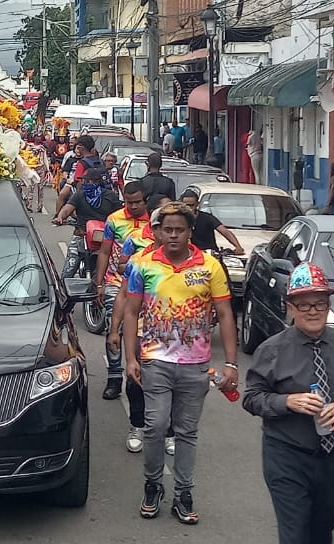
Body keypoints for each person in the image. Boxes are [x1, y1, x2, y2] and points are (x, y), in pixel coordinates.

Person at [113, 201, 239, 525]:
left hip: (196, 365)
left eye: (179, 230)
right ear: (158, 231)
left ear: (189, 232)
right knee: (154, 427)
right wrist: (130, 358)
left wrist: (231, 364)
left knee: (186, 431)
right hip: (154, 360)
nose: (172, 236)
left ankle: (183, 493)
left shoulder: (209, 267)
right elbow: (131, 311)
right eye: (167, 229)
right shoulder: (142, 265)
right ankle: (153, 484)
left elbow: (225, 314)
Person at [242, 262, 334, 544]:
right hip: (286, 455)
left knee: (324, 527)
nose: (313, 311)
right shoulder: (272, 351)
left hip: (331, 456)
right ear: (290, 308)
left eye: (320, 303)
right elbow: (252, 398)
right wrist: (287, 401)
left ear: (328, 305)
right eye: (304, 305)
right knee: (295, 532)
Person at [96, 181, 151, 402]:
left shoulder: (156, 223)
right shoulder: (114, 219)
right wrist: (99, 283)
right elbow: (105, 251)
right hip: (116, 281)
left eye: (138, 202)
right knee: (114, 327)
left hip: (146, 287)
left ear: (145, 200)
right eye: (129, 202)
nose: (134, 206)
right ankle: (113, 378)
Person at [51, 168, 122, 279]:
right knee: (68, 271)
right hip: (81, 235)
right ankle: (63, 292)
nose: (84, 183)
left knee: (113, 269)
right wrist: (60, 217)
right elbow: (67, 209)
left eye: (86, 181)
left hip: (103, 238)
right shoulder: (80, 195)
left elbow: (119, 215)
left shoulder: (110, 196)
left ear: (95, 182)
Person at [179, 190, 246, 255]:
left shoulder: (207, 218)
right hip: (187, 254)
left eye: (192, 205)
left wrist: (238, 246)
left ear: (197, 204)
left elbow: (224, 231)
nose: (189, 208)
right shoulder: (178, 219)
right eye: (186, 205)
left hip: (208, 254)